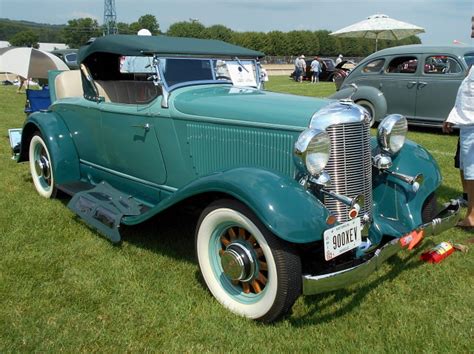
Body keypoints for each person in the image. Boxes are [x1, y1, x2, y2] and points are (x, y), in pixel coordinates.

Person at [442, 65, 474, 229]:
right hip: (466, 124)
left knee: (472, 173)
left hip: (472, 125)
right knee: (467, 170)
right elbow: (466, 96)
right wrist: (452, 116)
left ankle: (472, 217)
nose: (471, 36)